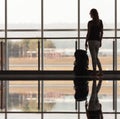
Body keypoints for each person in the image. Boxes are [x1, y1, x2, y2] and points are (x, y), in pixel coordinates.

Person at [85, 8, 103, 76]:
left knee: (93, 57)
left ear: (92, 14)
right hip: (97, 41)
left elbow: (88, 33)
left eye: (90, 13)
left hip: (91, 41)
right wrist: (100, 41)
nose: (90, 15)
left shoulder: (90, 23)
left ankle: (95, 72)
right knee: (96, 57)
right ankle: (100, 71)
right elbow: (101, 33)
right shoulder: (100, 22)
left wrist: (86, 42)